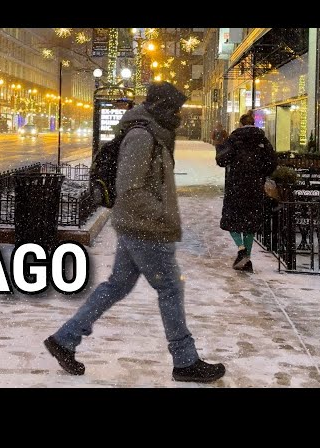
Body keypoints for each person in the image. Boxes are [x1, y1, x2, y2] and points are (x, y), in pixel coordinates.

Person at [44, 81, 226, 383]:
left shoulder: (154, 133)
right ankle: (185, 360)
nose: (179, 114)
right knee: (170, 288)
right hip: (145, 227)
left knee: (117, 286)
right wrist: (162, 216)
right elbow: (130, 188)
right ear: (161, 108)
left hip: (138, 225)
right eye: (175, 108)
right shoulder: (143, 136)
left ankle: (65, 339)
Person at [215, 111, 277, 273]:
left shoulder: (234, 139)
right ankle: (247, 258)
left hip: (236, 186)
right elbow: (271, 163)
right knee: (250, 223)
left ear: (241, 124)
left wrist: (222, 148)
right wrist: (258, 172)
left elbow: (222, 160)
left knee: (232, 219)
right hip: (255, 187)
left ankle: (241, 250)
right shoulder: (262, 140)